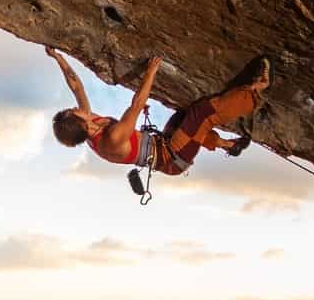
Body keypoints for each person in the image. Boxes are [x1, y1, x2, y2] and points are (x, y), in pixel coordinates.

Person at [46, 47, 271, 196]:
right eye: (73, 111)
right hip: (174, 157)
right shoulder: (111, 139)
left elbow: (76, 86)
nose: (76, 108)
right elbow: (136, 104)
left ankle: (229, 146)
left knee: (184, 116)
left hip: (165, 143)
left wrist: (58, 58)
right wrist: (152, 70)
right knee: (202, 114)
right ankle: (256, 90)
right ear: (82, 124)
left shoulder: (88, 125)